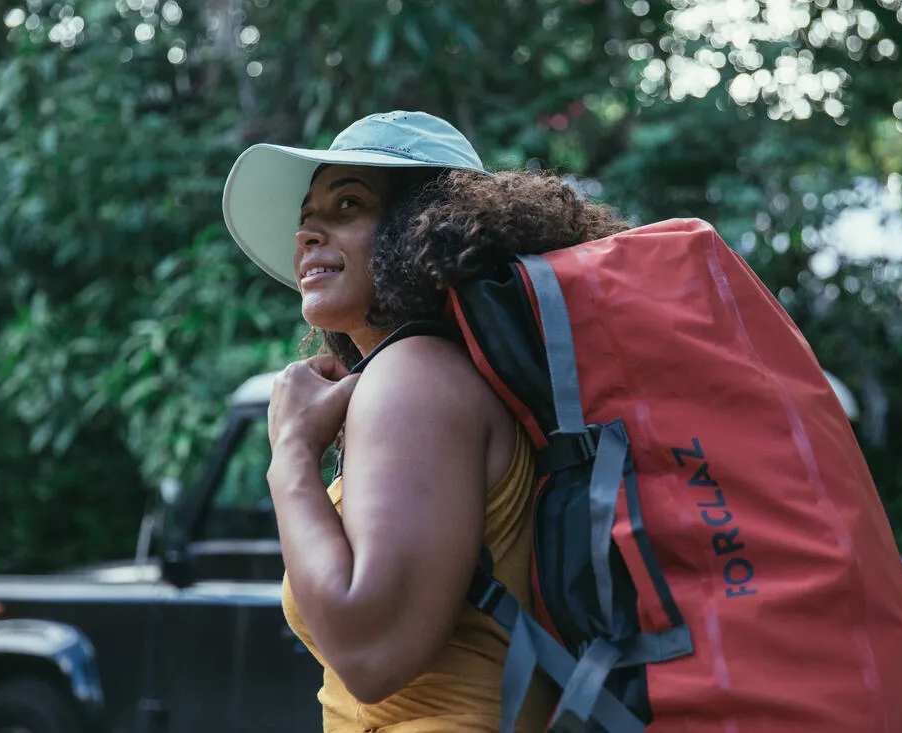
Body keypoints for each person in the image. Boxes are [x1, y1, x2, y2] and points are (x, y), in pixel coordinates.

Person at [222, 111, 627, 732]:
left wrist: (292, 452)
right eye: (307, 217)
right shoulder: (449, 373)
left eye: (348, 205)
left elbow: (372, 653)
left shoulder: (416, 376)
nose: (306, 233)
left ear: (421, 231)